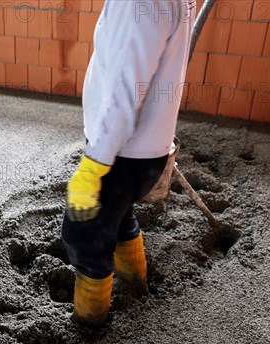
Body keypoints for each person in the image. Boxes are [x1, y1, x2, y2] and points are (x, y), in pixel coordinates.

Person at [62, 0, 197, 327]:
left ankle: (89, 323)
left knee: (85, 232)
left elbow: (125, 94)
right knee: (118, 216)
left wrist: (94, 165)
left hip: (123, 152)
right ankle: (135, 283)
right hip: (146, 152)